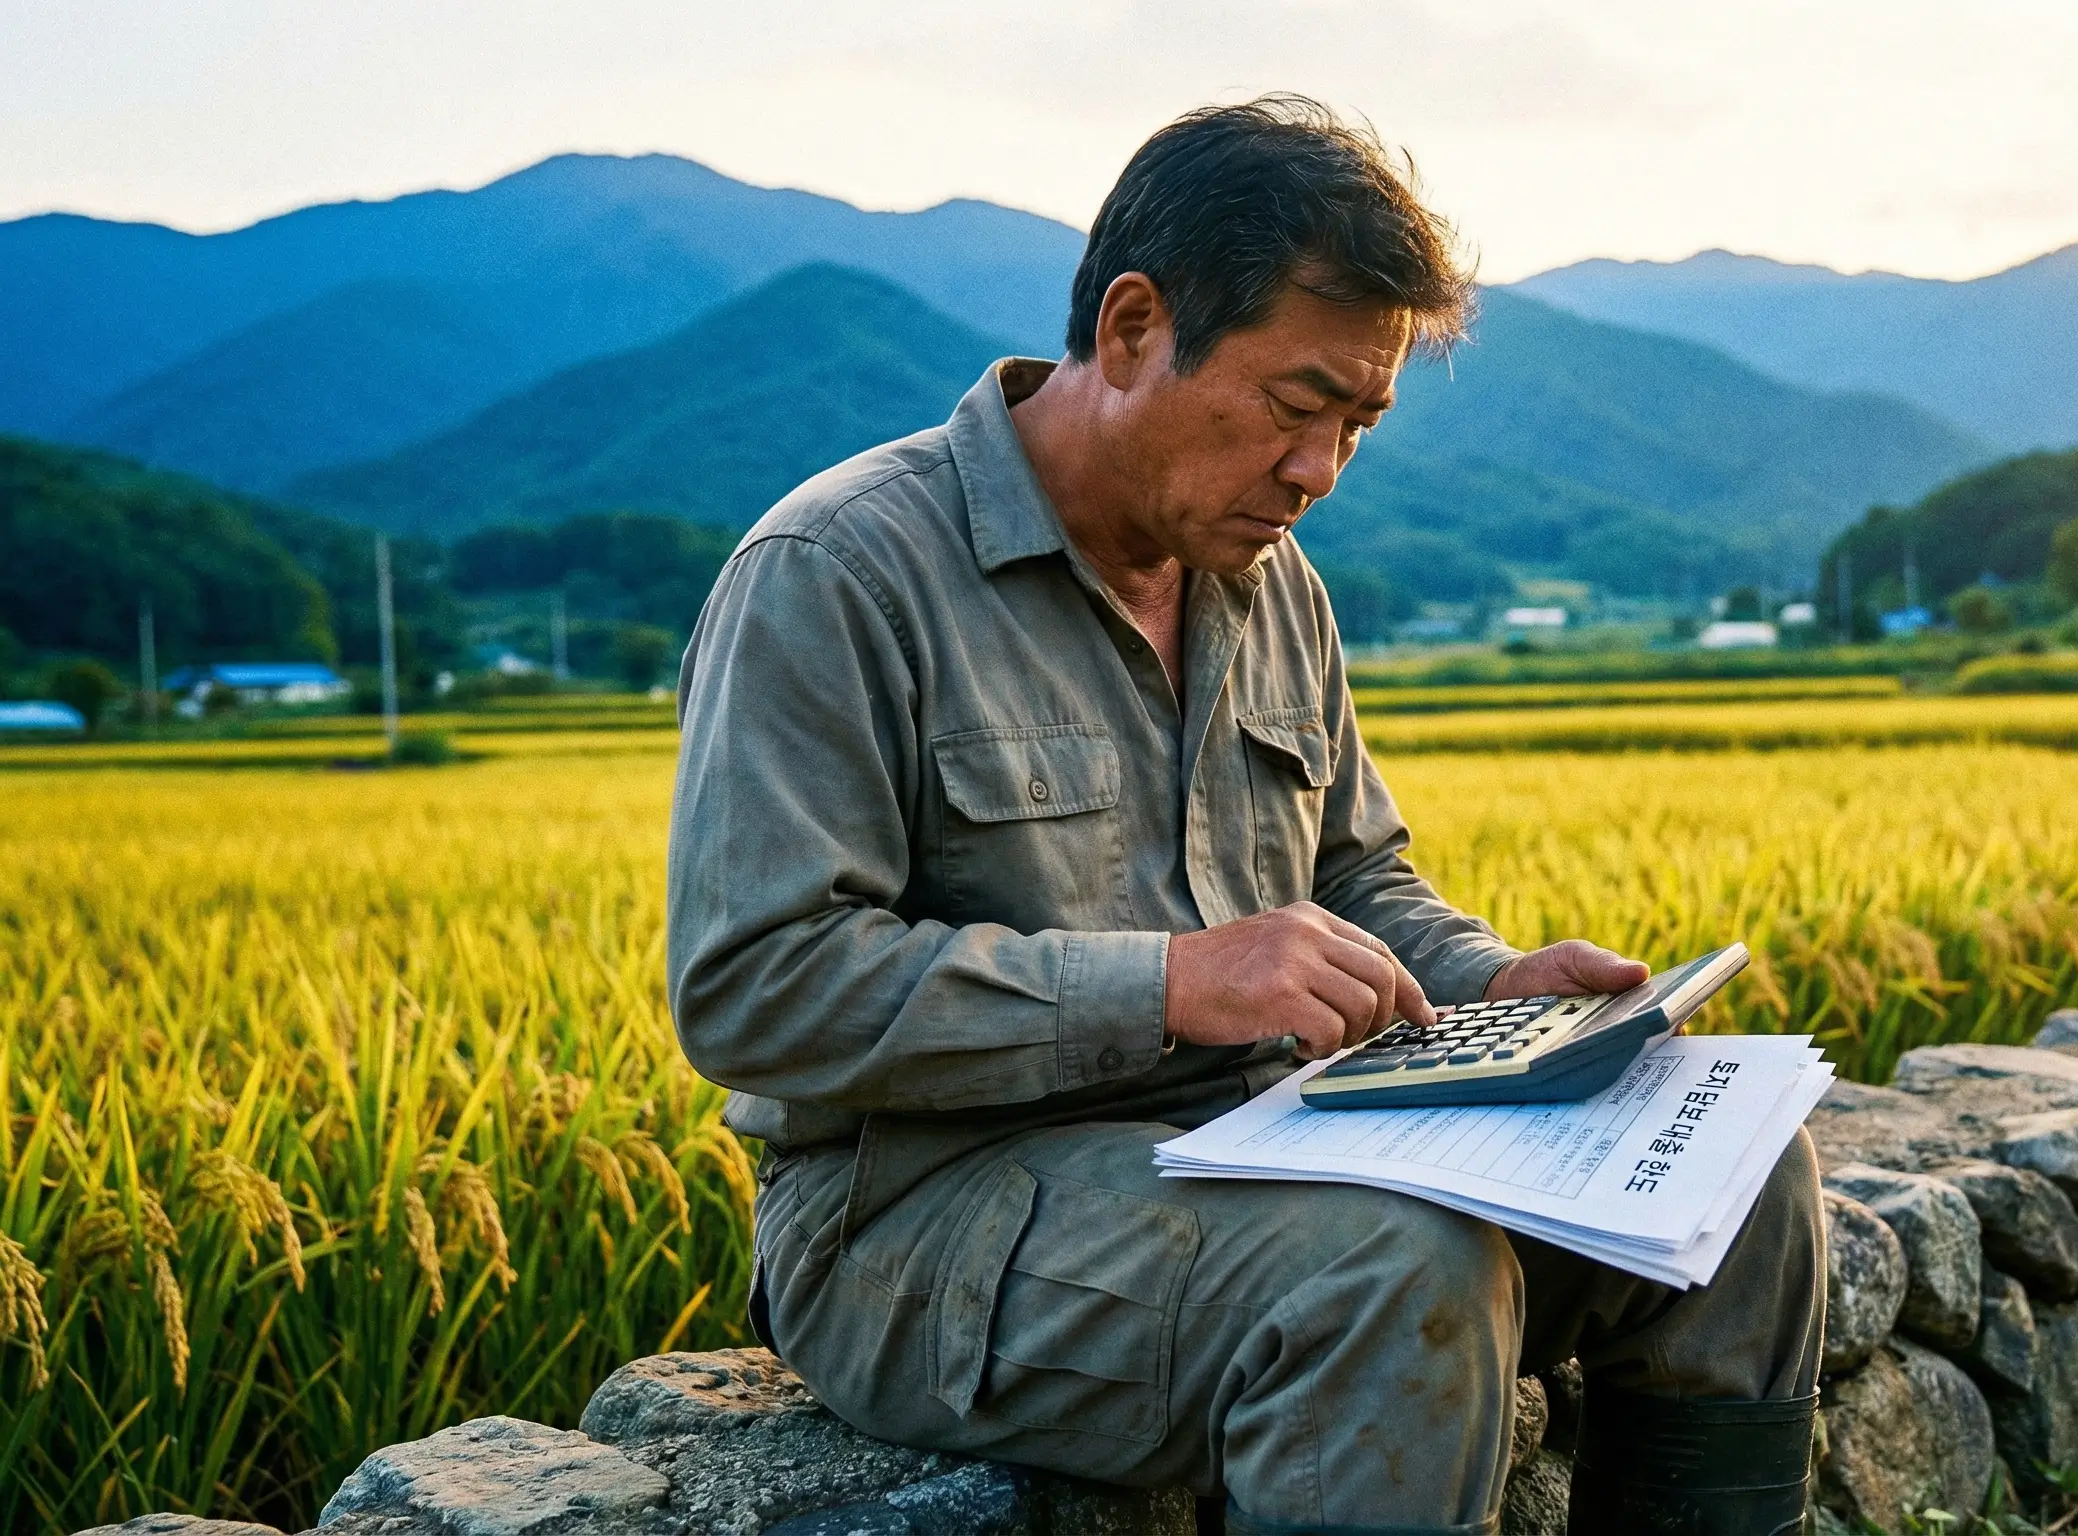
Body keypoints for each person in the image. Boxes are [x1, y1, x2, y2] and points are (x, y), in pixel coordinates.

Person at [666, 96, 1826, 1536]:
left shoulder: (1273, 587)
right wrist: (1171, 984)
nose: (1320, 471)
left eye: (1360, 423)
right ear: (1136, 327)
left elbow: (1356, 881)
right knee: (1397, 1274)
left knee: (1741, 1185)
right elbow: (753, 988)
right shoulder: (838, 570)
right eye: (1296, 406)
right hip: (924, 1222)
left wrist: (1492, 986)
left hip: (1269, 1149)